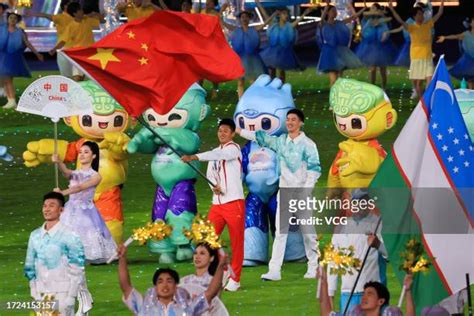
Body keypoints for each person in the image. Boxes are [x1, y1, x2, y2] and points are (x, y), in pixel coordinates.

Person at [236, 108, 321, 281]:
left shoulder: (308, 145)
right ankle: (274, 270)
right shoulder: (281, 142)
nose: (289, 122)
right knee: (281, 233)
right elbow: (261, 138)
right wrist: (238, 130)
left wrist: (306, 191)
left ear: (301, 122)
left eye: (293, 119)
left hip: (302, 194)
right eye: (288, 119)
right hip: (285, 192)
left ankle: (314, 266)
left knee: (308, 233)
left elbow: (315, 170)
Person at [181, 118, 245, 292]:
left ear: (232, 134)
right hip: (217, 204)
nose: (222, 133)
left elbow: (218, 155)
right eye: (220, 130)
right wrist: (214, 187)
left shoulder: (234, 149)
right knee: (208, 240)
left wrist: (194, 157)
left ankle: (235, 278)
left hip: (234, 202)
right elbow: (210, 174)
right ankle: (223, 270)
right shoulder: (215, 153)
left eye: (226, 130)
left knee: (237, 241)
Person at [24, 192, 88, 316]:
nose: (46, 209)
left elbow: (77, 267)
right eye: (44, 206)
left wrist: (71, 295)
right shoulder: (35, 235)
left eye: (51, 205)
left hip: (63, 292)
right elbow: (29, 265)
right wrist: (34, 291)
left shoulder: (70, 235)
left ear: (61, 210)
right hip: (41, 292)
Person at [117, 243, 227, 315]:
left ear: (176, 287)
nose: (165, 285)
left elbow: (211, 292)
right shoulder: (143, 306)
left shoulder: (188, 308)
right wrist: (122, 259)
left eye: (169, 281)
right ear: (155, 287)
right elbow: (126, 287)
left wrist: (221, 266)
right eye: (160, 281)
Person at [52, 141, 117, 263]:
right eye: (80, 152)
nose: (82, 155)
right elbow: (66, 172)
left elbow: (80, 187)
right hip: (70, 208)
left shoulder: (96, 176)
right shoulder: (76, 173)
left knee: (86, 230)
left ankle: (88, 255)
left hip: (85, 210)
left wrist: (62, 193)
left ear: (93, 156)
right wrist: (59, 161)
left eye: (86, 152)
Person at [327, 190, 388, 312]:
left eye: (363, 203)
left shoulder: (379, 224)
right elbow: (333, 263)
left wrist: (378, 245)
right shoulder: (341, 227)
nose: (359, 207)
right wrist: (331, 294)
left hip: (374, 294)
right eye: (356, 203)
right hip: (347, 294)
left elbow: (392, 255)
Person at [388, 0, 445, 98]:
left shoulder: (428, 25)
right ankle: (422, 102)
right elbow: (400, 21)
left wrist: (442, 3)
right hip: (417, 58)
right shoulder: (411, 27)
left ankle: (428, 101)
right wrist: (392, 9)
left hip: (428, 57)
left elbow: (439, 14)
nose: (421, 16)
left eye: (422, 14)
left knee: (430, 81)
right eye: (419, 14)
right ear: (414, 16)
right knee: (418, 84)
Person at [257, 0, 315, 82]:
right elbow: (264, 14)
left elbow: (297, 22)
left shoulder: (289, 26)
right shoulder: (273, 25)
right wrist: (258, 3)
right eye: (284, 14)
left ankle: (281, 88)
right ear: (280, 15)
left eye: (287, 14)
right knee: (272, 70)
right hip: (272, 52)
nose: (286, 15)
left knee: (281, 71)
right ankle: (272, 88)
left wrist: (305, 13)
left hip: (283, 52)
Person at [319, 268, 416, 316]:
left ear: (381, 301)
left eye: (370, 294)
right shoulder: (354, 313)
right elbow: (327, 313)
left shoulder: (389, 314)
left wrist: (407, 291)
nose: (364, 297)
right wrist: (323, 282)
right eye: (364, 293)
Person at [221, 8, 273, 97]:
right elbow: (224, 23)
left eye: (246, 17)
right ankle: (241, 101)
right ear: (240, 19)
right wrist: (221, 12)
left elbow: (265, 23)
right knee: (240, 81)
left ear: (249, 19)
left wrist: (272, 16)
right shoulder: (236, 29)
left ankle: (253, 99)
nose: (244, 19)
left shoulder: (254, 29)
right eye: (242, 17)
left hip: (252, 60)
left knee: (253, 81)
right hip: (241, 60)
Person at [49, 2, 103, 81]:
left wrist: (98, 15)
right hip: (78, 55)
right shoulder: (71, 26)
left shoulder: (88, 20)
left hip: (90, 53)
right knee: (78, 76)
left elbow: (102, 21)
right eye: (80, 10)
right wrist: (54, 49)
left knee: (91, 78)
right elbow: (63, 41)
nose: (82, 11)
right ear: (75, 13)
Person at [0, 12, 43, 109]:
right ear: (7, 19)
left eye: (14, 18)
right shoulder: (2, 29)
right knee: (6, 80)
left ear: (17, 20)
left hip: (12, 58)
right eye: (10, 18)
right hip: (3, 56)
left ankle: (11, 101)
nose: (12, 20)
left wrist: (37, 53)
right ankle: (10, 99)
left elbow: (27, 43)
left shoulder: (20, 32)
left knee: (7, 79)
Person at [317, 0, 365, 86]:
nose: (335, 13)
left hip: (340, 52)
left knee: (339, 78)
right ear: (328, 13)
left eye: (335, 11)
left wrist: (363, 9)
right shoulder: (324, 24)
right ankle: (333, 97)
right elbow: (321, 19)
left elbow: (353, 18)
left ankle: (338, 96)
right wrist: (327, 6)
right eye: (332, 11)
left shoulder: (339, 23)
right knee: (333, 79)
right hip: (329, 53)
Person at [25, 0, 73, 76]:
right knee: (67, 76)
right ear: (65, 7)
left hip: (76, 49)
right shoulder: (61, 17)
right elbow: (47, 16)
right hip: (64, 50)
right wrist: (34, 14)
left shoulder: (79, 18)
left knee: (79, 76)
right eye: (70, 4)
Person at [356, 3, 395, 90]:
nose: (371, 10)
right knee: (372, 69)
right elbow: (364, 16)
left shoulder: (382, 19)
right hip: (371, 47)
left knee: (383, 70)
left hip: (381, 47)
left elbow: (388, 20)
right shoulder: (368, 19)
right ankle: (372, 88)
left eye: (373, 8)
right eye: (371, 8)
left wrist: (380, 18)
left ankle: (383, 88)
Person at [437, 17, 474, 89]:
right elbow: (455, 36)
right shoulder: (466, 34)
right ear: (471, 24)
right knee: (470, 80)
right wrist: (445, 37)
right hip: (468, 61)